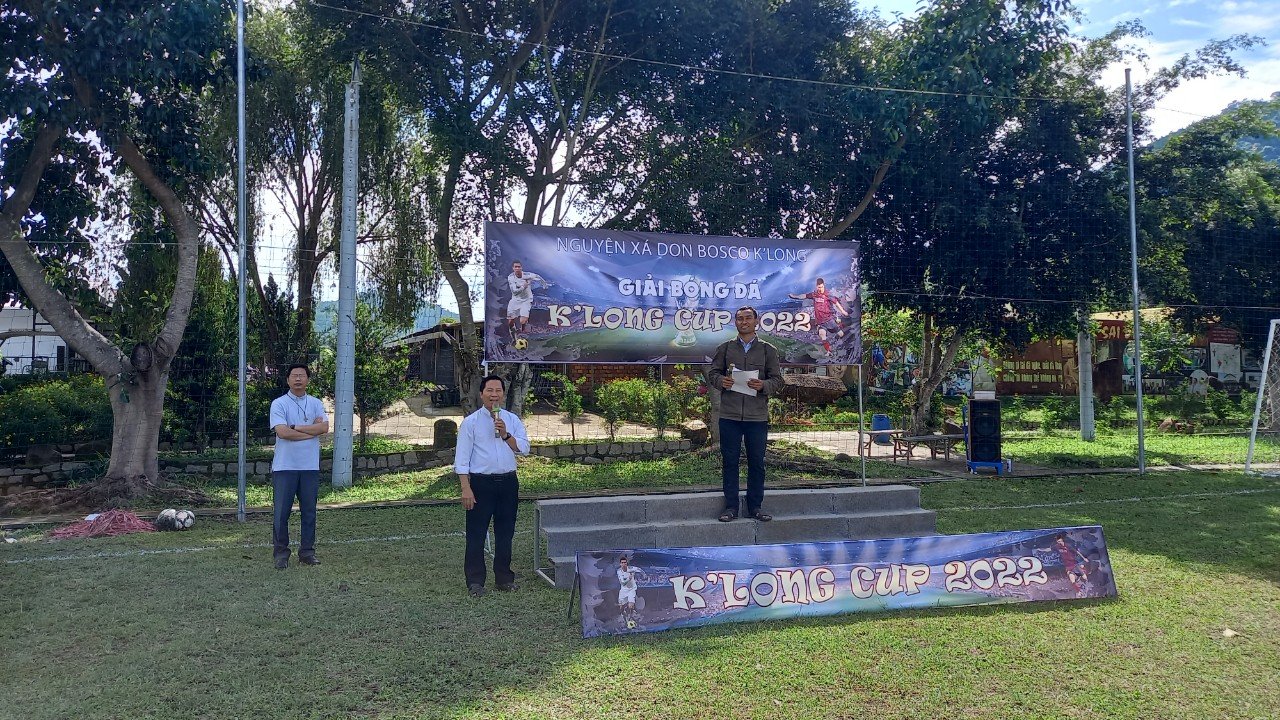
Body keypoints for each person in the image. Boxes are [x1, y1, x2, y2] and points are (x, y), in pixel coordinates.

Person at [707, 306, 785, 522]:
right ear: (735, 323)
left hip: (756, 417)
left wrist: (763, 385)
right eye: (740, 318)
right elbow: (713, 374)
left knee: (757, 463)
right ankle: (731, 508)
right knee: (730, 462)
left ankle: (755, 508)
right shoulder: (725, 349)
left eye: (748, 318)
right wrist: (721, 381)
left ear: (756, 321)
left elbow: (778, 380)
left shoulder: (768, 350)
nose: (744, 322)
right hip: (729, 416)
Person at [455, 374, 530, 597]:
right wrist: (466, 488)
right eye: (490, 390)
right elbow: (462, 459)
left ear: (503, 394)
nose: (494, 395)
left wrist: (505, 434)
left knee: (505, 533)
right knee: (476, 534)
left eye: (498, 391)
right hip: (481, 483)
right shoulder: (470, 423)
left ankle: (504, 578)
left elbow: (524, 448)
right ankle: (475, 581)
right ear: (481, 394)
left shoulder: (512, 420)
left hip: (508, 482)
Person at [269, 363, 329, 570]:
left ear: (308, 380)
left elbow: (324, 427)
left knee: (309, 512)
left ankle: (307, 552)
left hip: (309, 466)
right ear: (287, 380)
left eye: (302, 375)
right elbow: (282, 432)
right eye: (294, 375)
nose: (297, 379)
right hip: (285, 466)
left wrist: (296, 427)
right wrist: (311, 431)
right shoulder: (279, 404)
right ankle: (281, 554)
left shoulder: (316, 403)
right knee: (281, 513)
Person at [788, 277, 848, 356]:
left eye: (821, 287)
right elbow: (804, 296)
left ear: (823, 285)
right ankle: (829, 352)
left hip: (829, 320)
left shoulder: (828, 294)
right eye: (819, 287)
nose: (820, 289)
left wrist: (843, 311)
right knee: (822, 335)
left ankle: (841, 335)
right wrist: (795, 296)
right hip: (820, 322)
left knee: (841, 334)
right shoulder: (814, 294)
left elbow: (836, 303)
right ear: (816, 286)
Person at [506, 261, 547, 338]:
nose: (517, 268)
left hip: (526, 300)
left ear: (521, 268)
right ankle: (514, 338)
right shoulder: (511, 278)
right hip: (515, 300)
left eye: (519, 267)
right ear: (513, 268)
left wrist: (544, 285)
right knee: (510, 322)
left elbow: (537, 276)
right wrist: (523, 287)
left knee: (522, 320)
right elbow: (514, 292)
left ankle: (522, 331)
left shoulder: (527, 275)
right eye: (515, 267)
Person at [616, 555, 644, 628]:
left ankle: (630, 619)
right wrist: (629, 578)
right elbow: (623, 583)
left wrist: (644, 575)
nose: (624, 564)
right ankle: (623, 615)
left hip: (632, 589)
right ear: (620, 564)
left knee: (630, 605)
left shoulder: (631, 569)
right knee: (621, 607)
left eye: (625, 562)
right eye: (622, 563)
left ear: (627, 563)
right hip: (623, 591)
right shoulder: (619, 571)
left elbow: (639, 569)